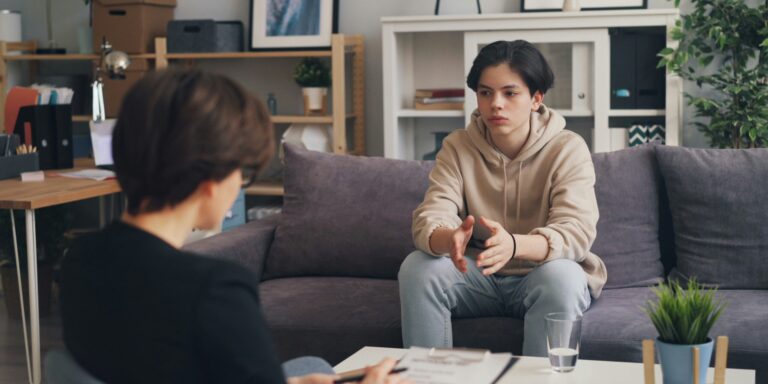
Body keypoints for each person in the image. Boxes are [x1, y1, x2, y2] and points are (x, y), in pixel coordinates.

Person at [60, 69, 404, 384]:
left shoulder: (79, 259)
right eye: (242, 172)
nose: (240, 183)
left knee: (309, 367)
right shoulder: (213, 289)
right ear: (208, 182)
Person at [398, 40, 607, 357]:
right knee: (418, 268)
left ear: (536, 99)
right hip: (478, 275)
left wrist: (514, 244)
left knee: (564, 276)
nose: (496, 103)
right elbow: (432, 214)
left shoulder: (568, 148)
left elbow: (576, 231)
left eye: (510, 93)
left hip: (542, 274)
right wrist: (448, 239)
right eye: (485, 93)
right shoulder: (458, 146)